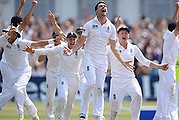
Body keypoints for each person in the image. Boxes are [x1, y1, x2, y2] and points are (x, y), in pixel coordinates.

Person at [64, 1, 133, 120]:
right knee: (91, 83)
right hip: (89, 57)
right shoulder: (89, 25)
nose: (103, 7)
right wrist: (71, 51)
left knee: (99, 88)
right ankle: (83, 112)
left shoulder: (111, 27)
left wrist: (123, 62)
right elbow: (81, 42)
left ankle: (98, 114)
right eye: (101, 6)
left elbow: (113, 48)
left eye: (105, 6)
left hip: (102, 60)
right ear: (96, 11)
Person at [108, 16, 169, 120]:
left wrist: (159, 66)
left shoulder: (133, 48)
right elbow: (110, 38)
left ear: (129, 35)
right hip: (116, 81)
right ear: (118, 35)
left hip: (130, 79)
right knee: (114, 110)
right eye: (121, 32)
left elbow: (145, 61)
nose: (124, 34)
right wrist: (117, 25)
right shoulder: (112, 48)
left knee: (138, 95)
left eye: (126, 33)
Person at [23, 32, 83, 120]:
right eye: (70, 38)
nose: (72, 40)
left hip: (74, 77)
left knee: (70, 103)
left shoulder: (80, 49)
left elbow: (90, 55)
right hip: (61, 75)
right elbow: (47, 51)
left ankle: (66, 118)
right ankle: (57, 116)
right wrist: (33, 50)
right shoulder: (61, 48)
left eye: (74, 39)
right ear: (67, 39)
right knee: (62, 98)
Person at [153, 2, 179, 120]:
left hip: (164, 66)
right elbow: (176, 26)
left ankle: (160, 116)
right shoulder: (171, 37)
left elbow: (173, 24)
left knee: (163, 92)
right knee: (171, 92)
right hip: (169, 67)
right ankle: (167, 116)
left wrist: (177, 10)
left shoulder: (167, 35)